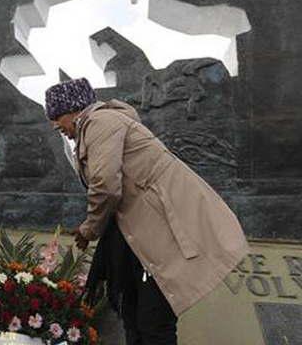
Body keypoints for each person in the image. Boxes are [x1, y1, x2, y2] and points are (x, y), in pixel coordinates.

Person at [44, 78, 248, 345]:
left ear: (74, 109)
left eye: (57, 117)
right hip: (144, 240)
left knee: (153, 324)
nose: (56, 125)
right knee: (136, 319)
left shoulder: (100, 123)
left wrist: (89, 229)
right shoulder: (99, 126)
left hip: (160, 235)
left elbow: (105, 186)